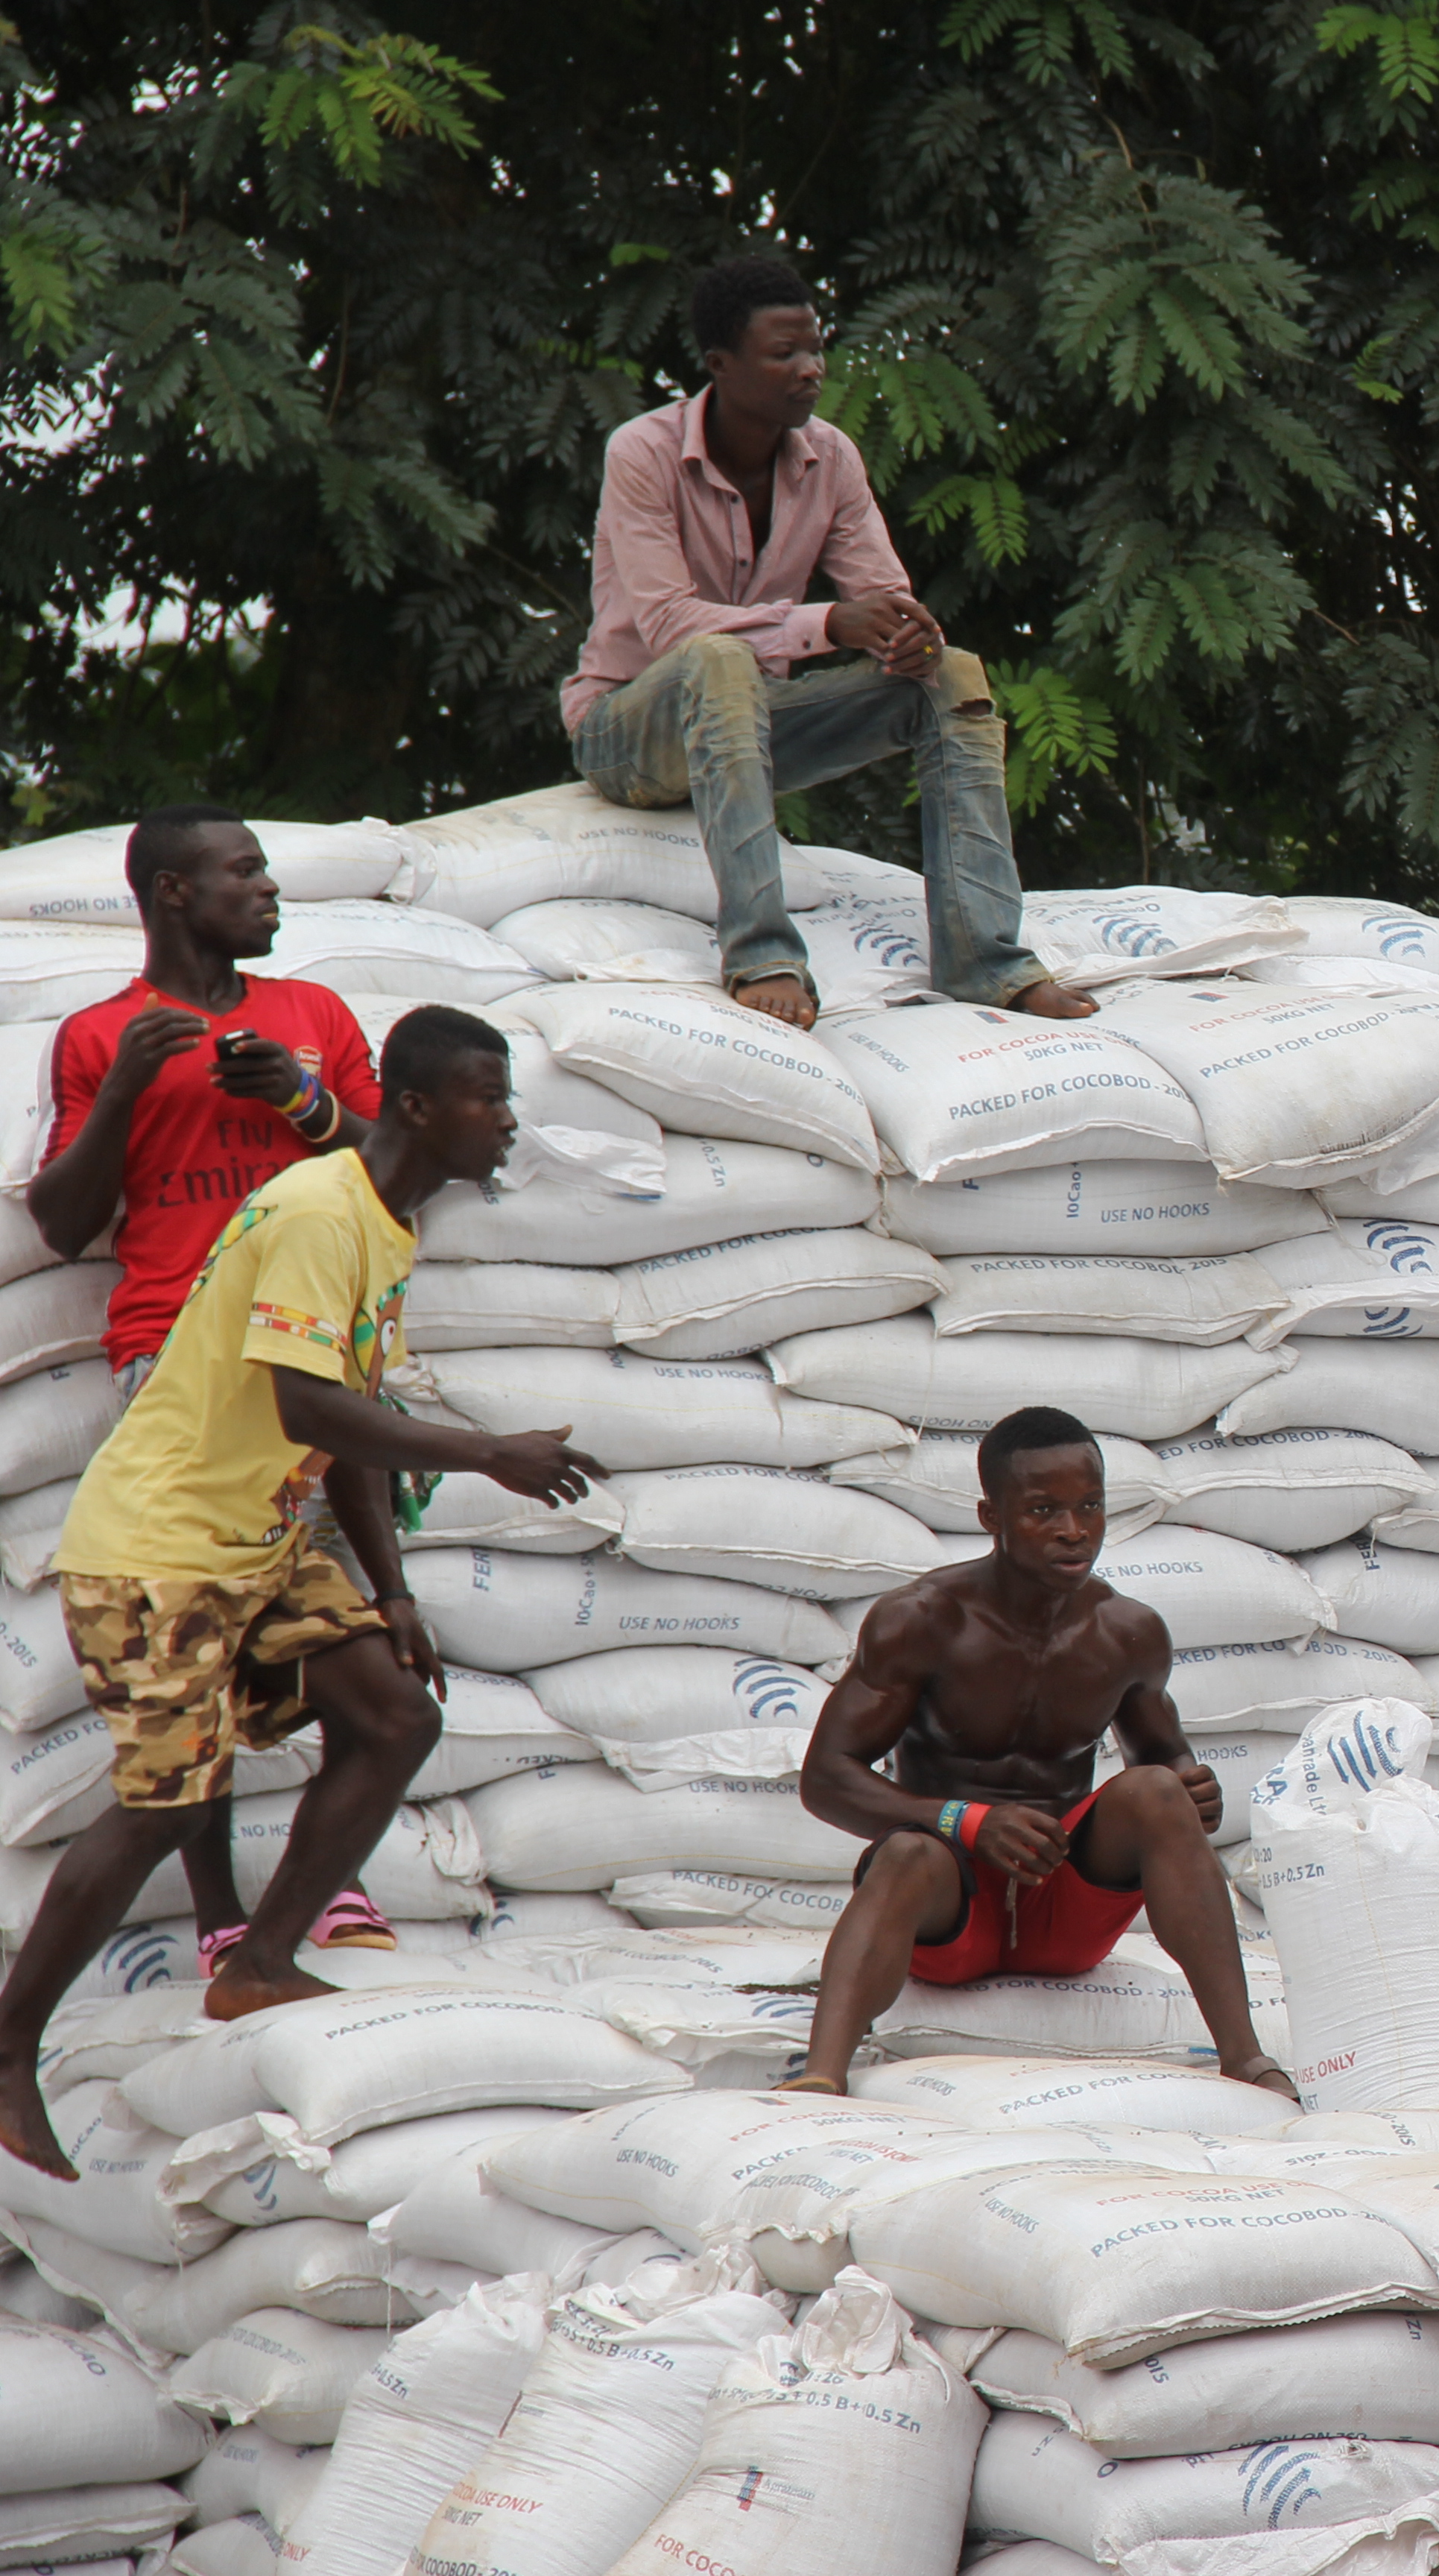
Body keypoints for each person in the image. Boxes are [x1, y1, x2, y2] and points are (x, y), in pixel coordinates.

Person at [0, 1008, 604, 2179]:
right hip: (159, 1546)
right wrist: (489, 1454)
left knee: (395, 1712)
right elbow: (303, 1408)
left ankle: (260, 1959)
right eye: (491, 1097)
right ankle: (9, 2046)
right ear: (420, 1110)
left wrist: (394, 1593)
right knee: (169, 1805)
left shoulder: (385, 1221)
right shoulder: (324, 1214)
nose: (509, 1120)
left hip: (261, 1541)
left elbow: (347, 1426)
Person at [31, 805, 403, 1969]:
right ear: (173, 892)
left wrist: (298, 1097)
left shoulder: (314, 1018)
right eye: (243, 872)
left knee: (341, 1630)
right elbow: (61, 1222)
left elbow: (394, 1164)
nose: (270, 889)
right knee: (203, 1625)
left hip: (315, 1346)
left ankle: (316, 1884)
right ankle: (222, 1914)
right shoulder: (102, 1036)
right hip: (178, 1357)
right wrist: (136, 1092)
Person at [564, 250, 1095, 1036]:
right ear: (721, 365)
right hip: (629, 731)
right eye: (786, 354)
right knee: (717, 658)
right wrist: (829, 623)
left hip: (754, 723)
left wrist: (906, 636)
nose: (811, 369)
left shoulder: (832, 456)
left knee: (952, 676)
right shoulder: (642, 453)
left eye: (816, 349)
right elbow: (672, 624)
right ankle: (763, 955)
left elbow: (881, 593)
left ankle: (988, 961)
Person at [783, 1406, 1288, 2099]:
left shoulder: (1127, 1633)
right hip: (950, 1904)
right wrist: (968, 1821)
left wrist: (1191, 1788)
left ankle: (1246, 2058)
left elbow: (1165, 1760)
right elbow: (825, 1779)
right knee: (902, 1853)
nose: (1073, 1531)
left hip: (1063, 1910)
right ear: (992, 1517)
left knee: (1154, 1795)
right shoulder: (923, 1621)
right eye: (1043, 1510)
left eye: (1089, 1507)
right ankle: (821, 2077)